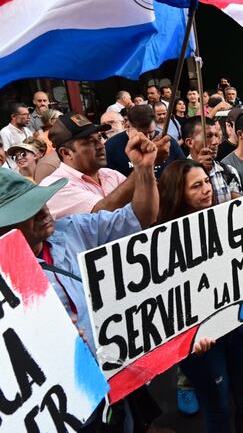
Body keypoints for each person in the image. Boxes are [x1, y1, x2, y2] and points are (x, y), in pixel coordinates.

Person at [0, 129, 163, 432]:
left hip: (106, 378)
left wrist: (143, 168)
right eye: (29, 209)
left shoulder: (71, 230)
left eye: (41, 201)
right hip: (58, 407)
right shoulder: (4, 279)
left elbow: (140, 216)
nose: (44, 211)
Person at [156, 159, 243, 433]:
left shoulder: (228, 220)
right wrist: (187, 335)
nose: (207, 189)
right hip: (200, 342)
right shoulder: (159, 242)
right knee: (218, 407)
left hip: (240, 326)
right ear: (178, 193)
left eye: (206, 181)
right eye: (196, 186)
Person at [39, 112, 134, 219]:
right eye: (89, 142)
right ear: (66, 153)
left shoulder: (112, 175)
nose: (100, 145)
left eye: (99, 138)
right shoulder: (54, 186)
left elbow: (146, 207)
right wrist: (141, 169)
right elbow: (104, 216)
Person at [106, 104, 184, 178]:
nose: (147, 138)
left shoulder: (166, 141)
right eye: (142, 134)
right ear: (128, 125)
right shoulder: (112, 146)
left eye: (151, 132)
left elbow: (184, 168)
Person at [182, 118, 242, 204]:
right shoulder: (179, 175)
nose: (215, 142)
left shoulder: (228, 172)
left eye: (217, 135)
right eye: (208, 136)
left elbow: (239, 207)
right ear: (190, 142)